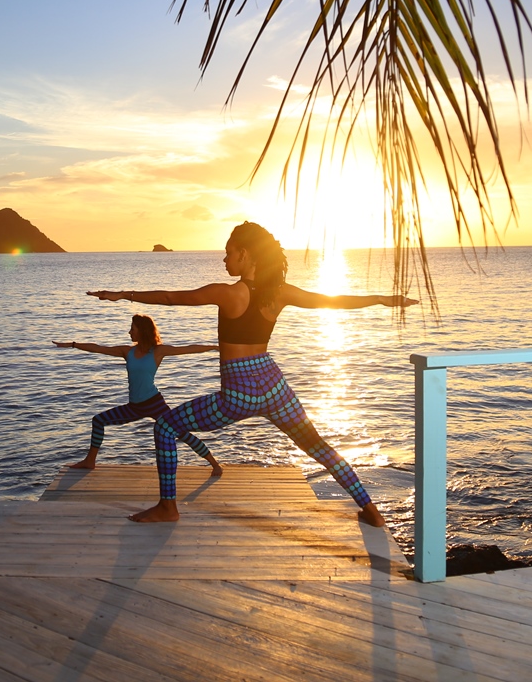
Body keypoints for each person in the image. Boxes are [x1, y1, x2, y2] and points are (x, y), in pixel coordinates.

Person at [88, 221, 416, 526]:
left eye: (229, 253)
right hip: (273, 385)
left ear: (245, 254)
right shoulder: (280, 292)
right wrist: (382, 299)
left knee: (165, 427)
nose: (224, 259)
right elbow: (330, 301)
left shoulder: (228, 292)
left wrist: (123, 295)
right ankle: (371, 511)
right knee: (317, 446)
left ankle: (168, 507)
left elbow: (172, 298)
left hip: (239, 394)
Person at [55, 314, 223, 476]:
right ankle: (90, 461)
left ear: (142, 331)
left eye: (132, 329)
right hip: (135, 407)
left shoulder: (157, 351)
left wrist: (214, 347)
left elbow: (188, 349)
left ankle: (214, 464)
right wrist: (73, 344)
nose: (129, 332)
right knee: (98, 420)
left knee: (181, 432)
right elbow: (99, 348)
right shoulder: (127, 351)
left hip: (154, 403)